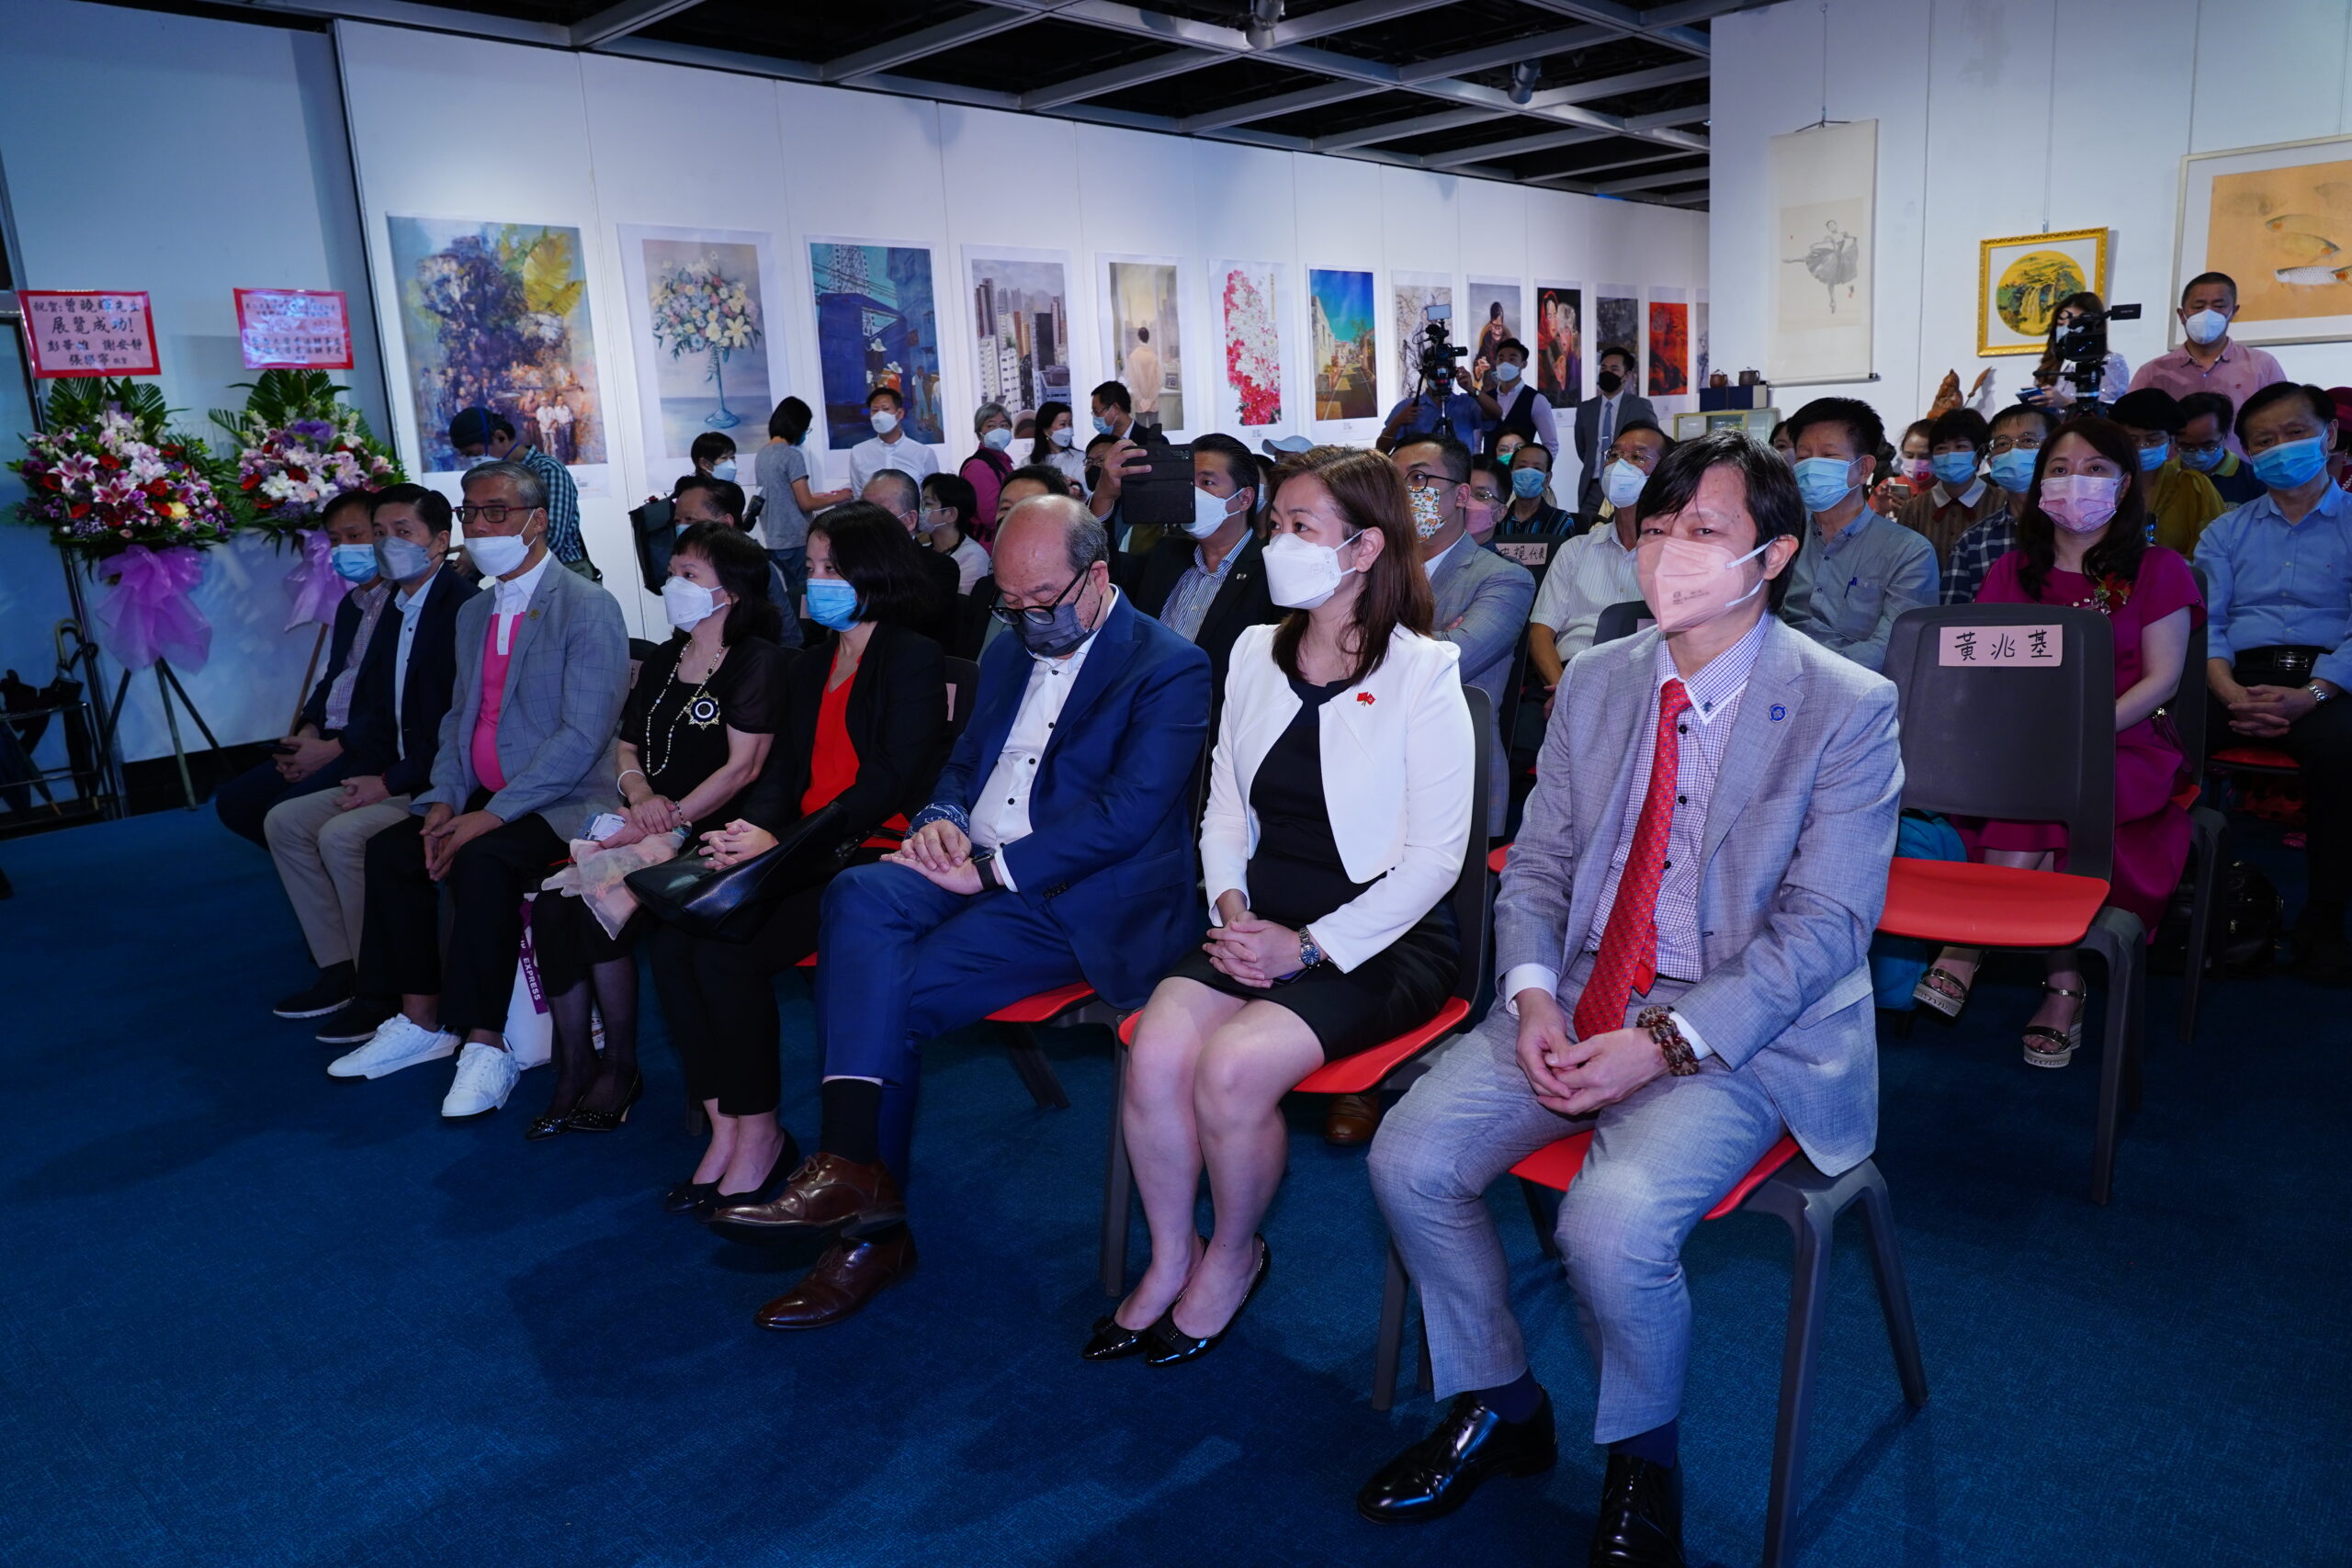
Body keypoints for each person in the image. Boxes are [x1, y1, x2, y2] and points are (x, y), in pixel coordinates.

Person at [1356, 430, 1899, 1562]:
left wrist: (1664, 1040)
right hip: (1581, 986)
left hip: (1744, 1024)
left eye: (1702, 531)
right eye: (1654, 530)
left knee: (1608, 1226)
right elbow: (1539, 865)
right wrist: (1532, 996)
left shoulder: (1844, 704)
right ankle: (1504, 1406)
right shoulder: (1602, 678)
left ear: (1772, 555)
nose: (1668, 554)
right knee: (1408, 1158)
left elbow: (1823, 930)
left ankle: (1643, 1461)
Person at [702, 495, 1212, 1328]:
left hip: (1074, 895)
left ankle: (867, 1229)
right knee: (858, 891)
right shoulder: (1009, 645)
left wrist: (994, 869)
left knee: (883, 993)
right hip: (971, 863)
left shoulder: (1169, 663)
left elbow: (1127, 813)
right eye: (1011, 600)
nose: (1028, 615)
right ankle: (850, 1167)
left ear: (1098, 575)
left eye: (1043, 597)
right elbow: (964, 761)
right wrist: (939, 820)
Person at [1091, 446, 1474, 1365]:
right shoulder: (1255, 652)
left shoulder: (1423, 672)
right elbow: (1223, 808)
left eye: (1302, 527)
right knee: (1157, 1050)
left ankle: (1234, 1254)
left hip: (1379, 939)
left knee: (1230, 1069)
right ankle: (1171, 1254)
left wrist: (1305, 948)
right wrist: (1230, 908)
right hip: (1256, 920)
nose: (1277, 543)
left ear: (1364, 548)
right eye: (1276, 524)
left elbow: (1435, 862)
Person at [644, 505, 950, 1214]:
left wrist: (780, 842)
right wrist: (751, 828)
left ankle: (760, 1135)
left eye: (832, 568)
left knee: (726, 952)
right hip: (804, 847)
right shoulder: (812, 661)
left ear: (875, 572)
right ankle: (730, 1125)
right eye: (811, 568)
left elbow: (888, 782)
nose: (816, 582)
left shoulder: (911, 655)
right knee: (676, 935)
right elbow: (782, 771)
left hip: (869, 856)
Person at [332, 459, 630, 1120]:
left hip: (565, 800)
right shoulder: (476, 611)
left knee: (481, 860)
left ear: (536, 521)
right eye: (471, 513)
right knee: (395, 849)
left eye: (497, 512)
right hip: (486, 795)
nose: (481, 526)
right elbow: (458, 720)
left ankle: (486, 1041)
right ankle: (420, 1020)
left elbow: (583, 736)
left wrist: (489, 816)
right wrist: (443, 799)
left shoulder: (587, 605)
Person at [1917, 417, 2203, 1061]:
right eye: (2061, 468)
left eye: (2096, 469)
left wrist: (2079, 734)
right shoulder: (2011, 571)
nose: (2077, 482)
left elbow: (2160, 681)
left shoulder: (2159, 569)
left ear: (2124, 485)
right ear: (2041, 485)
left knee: (2046, 785)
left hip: (2125, 742)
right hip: (2022, 747)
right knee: (2032, 780)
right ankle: (2064, 983)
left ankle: (1968, 941)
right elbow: (1978, 674)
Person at [528, 524, 786, 1138]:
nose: (673, 585)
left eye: (689, 575)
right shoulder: (668, 658)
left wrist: (671, 816)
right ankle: (577, 1061)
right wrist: (641, 796)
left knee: (595, 905)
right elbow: (626, 746)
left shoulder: (757, 660)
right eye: (673, 573)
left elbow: (742, 769)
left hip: (715, 831)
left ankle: (621, 1064)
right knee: (552, 905)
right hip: (646, 819)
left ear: (730, 592)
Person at [266, 487, 479, 1039]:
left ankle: (380, 989)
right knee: (285, 821)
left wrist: (388, 781)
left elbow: (459, 726)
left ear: (440, 540)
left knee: (342, 836)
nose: (388, 545)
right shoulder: (394, 607)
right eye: (380, 533)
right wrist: (360, 765)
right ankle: (342, 967)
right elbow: (378, 707)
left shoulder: (462, 608)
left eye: (403, 532)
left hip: (444, 780)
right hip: (397, 769)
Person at [2195, 382, 2352, 982]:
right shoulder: (2225, 531)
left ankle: (2324, 919)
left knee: (2344, 752)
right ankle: (2174, 900)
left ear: (2329, 436)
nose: (2281, 448)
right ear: (2249, 453)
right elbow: (2207, 623)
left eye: (2295, 433)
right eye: (2264, 440)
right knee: (2158, 738)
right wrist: (2229, 692)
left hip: (2329, 679)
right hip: (2236, 674)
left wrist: (2313, 694)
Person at [215, 491, 389, 851]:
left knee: (284, 813)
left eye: (355, 536)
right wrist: (308, 732)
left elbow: (393, 698)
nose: (344, 549)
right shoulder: (351, 604)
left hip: (366, 742)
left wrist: (333, 749)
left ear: (381, 533)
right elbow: (333, 679)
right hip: (330, 732)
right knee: (236, 802)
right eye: (335, 541)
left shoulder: (405, 604)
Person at [1394, 432, 1535, 835]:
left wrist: (1371, 633)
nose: (1405, 493)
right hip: (1369, 768)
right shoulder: (1370, 567)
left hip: (1455, 773)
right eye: (1394, 481)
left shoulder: (1504, 578)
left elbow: (1452, 662)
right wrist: (1435, 635)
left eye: (1419, 479)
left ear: (1460, 495)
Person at [1779, 397, 1938, 671]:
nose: (1812, 467)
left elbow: (1896, 645)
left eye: (1828, 456)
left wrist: (1813, 675)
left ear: (1863, 468)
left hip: (1856, 684)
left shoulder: (1909, 552)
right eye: (1803, 457)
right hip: (1776, 670)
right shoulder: (1783, 535)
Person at [1120, 431, 1279, 698]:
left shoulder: (1269, 572)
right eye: (1188, 482)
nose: (1192, 493)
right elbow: (1104, 570)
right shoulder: (1166, 555)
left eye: (1207, 482)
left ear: (1244, 499)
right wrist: (1105, 496)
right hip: (1146, 704)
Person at [1528, 422, 1670, 689]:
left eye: (1638, 457)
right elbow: (1540, 632)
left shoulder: (1676, 552)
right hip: (1570, 675)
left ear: (1666, 473)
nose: (1620, 465)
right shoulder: (1575, 549)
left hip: (1643, 683)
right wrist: (1564, 692)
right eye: (1614, 455)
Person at [2128, 273, 2288, 453]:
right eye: (2198, 306)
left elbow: (2283, 421)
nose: (2208, 314)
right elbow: (2129, 428)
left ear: (2234, 312)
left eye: (2219, 306)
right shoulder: (2152, 372)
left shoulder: (2263, 365)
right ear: (2182, 315)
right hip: (2173, 469)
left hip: (2244, 468)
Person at [450, 406, 593, 577]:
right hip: (515, 577)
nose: (474, 461)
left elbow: (550, 538)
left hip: (562, 575)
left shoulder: (548, 470)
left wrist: (479, 557)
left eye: (476, 453)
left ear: (501, 437)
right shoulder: (492, 480)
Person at [674, 474, 801, 649]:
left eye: (690, 520)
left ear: (725, 524)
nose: (682, 528)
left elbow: (789, 640)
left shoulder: (756, 568)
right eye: (677, 521)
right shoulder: (682, 570)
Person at [1942, 403, 2052, 604]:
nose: (2013, 451)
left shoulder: (2077, 532)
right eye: (2002, 444)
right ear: (1992, 462)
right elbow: (1952, 619)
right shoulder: (1972, 542)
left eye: (2028, 441)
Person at [754, 396, 852, 608]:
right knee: (809, 591)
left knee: (794, 593)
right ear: (797, 426)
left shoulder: (762, 454)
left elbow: (782, 495)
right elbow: (805, 503)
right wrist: (840, 497)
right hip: (795, 539)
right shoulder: (792, 455)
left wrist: (821, 497)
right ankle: (810, 625)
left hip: (774, 541)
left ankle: (799, 626)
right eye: (806, 428)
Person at [2109, 388, 2227, 554]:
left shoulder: (2193, 487)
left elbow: (2216, 550)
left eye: (2153, 439)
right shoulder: (2104, 485)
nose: (2142, 447)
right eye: (2132, 440)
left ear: (2171, 440)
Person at [862, 468, 963, 646]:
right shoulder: (848, 562)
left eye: (879, 513)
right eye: (862, 511)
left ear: (909, 520)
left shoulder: (940, 567)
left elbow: (918, 622)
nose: (865, 521)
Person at [1896, 408, 2001, 568]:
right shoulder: (1914, 509)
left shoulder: (2001, 504)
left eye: (1960, 447)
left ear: (1979, 452)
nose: (1950, 454)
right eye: (1941, 448)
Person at [1574, 345, 1657, 514]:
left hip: (1628, 484)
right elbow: (1582, 449)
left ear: (1626, 375)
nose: (1607, 373)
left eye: (1614, 369)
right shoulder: (1586, 409)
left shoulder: (1640, 406)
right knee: (1586, 528)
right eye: (1603, 368)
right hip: (1593, 487)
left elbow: (1651, 445)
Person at [2022, 292, 2130, 412]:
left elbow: (2110, 409)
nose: (2065, 329)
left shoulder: (2109, 361)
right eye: (2060, 324)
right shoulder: (2052, 362)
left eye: (2074, 323)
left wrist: (2066, 402)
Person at [1476, 338, 1562, 462]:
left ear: (1523, 364)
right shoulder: (1484, 399)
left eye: (1512, 359)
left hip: (1522, 468)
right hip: (1491, 470)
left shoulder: (1536, 400)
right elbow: (1476, 443)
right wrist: (1477, 467)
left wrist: (1539, 468)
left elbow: (1550, 445)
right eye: (1501, 359)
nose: (1505, 364)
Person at [847, 385, 938, 496]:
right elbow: (858, 496)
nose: (879, 416)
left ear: (900, 413)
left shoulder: (923, 454)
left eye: (885, 409)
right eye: (875, 410)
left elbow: (932, 497)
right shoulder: (859, 452)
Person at [2177, 391, 2265, 506]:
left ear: (2224, 435)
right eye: (2187, 446)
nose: (2198, 454)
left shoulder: (2254, 480)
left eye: (2208, 445)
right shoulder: (2163, 477)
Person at [1378, 361, 1483, 454]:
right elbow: (1381, 449)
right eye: (1435, 372)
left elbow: (1493, 415)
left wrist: (1471, 389)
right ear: (1425, 374)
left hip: (1461, 468)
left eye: (1447, 371)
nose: (1441, 377)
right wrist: (1397, 423)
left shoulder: (1466, 403)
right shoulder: (1407, 407)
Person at [919, 471, 992, 594]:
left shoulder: (973, 557)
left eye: (928, 504)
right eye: (921, 503)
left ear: (951, 514)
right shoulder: (923, 549)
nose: (920, 510)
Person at [961, 401, 1017, 546]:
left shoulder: (1003, 461)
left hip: (1004, 538)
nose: (999, 430)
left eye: (1004, 425)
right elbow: (991, 518)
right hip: (989, 544)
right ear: (979, 434)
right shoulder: (978, 467)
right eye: (991, 426)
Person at [1495, 442, 1574, 536]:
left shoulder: (1561, 521)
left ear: (1547, 479)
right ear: (1510, 474)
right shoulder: (1497, 519)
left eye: (1536, 468)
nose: (1528, 474)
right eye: (1522, 467)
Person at [1874, 418, 1934, 518]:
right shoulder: (1887, 486)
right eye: (1909, 456)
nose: (1915, 463)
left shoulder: (1948, 492)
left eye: (1924, 457)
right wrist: (1880, 512)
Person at [1030, 399, 1087, 493]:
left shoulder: (1081, 458)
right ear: (1046, 430)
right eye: (1062, 424)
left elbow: (1086, 490)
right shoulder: (1029, 463)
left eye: (1070, 423)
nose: (1068, 429)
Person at [1124, 330, 1165, 433]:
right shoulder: (1154, 356)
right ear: (1148, 338)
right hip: (1153, 404)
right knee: (1155, 436)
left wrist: (1141, 401)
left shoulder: (1133, 356)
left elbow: (1133, 382)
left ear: (1138, 337)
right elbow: (1159, 381)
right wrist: (1150, 400)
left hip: (1140, 405)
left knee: (1141, 436)